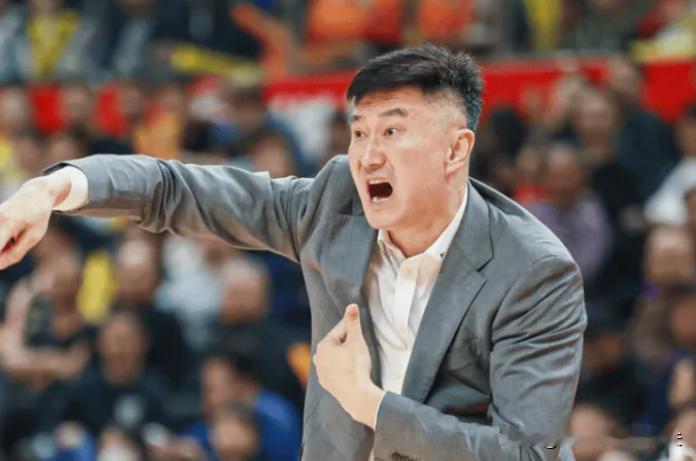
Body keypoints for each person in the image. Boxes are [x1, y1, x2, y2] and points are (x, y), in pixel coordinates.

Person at [0, 45, 586, 460]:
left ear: (456, 150)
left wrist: (368, 402)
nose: (368, 156)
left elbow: (524, 454)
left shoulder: (533, 271)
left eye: (392, 131)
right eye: (360, 131)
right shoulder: (335, 205)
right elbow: (176, 189)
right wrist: (52, 189)